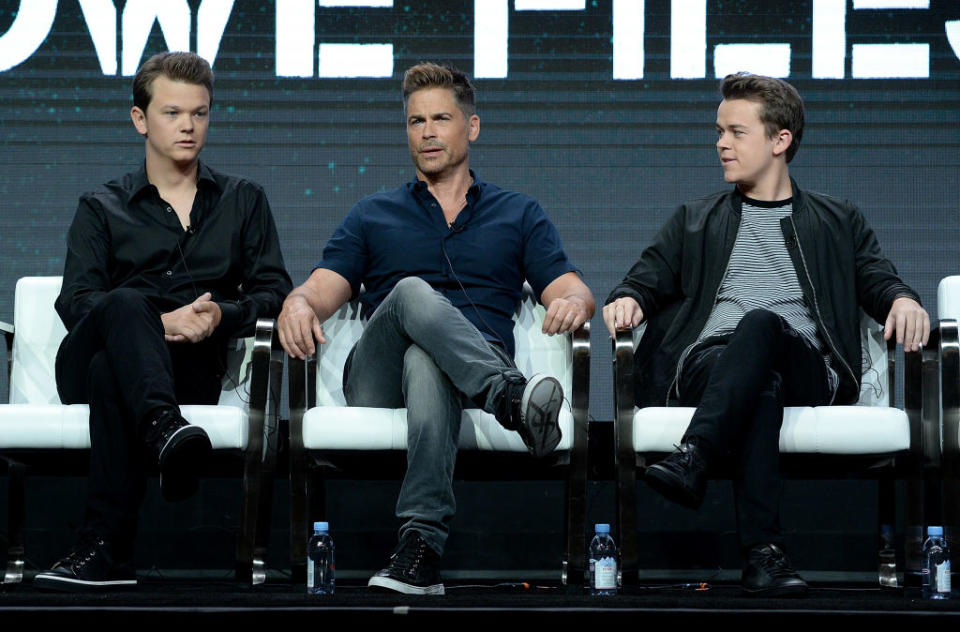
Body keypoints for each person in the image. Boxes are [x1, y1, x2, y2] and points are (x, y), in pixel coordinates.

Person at [603, 73, 928, 597]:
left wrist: (903, 299)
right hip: (709, 362)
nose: (720, 144)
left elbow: (877, 278)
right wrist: (628, 300)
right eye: (719, 131)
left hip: (809, 367)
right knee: (761, 386)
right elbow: (643, 281)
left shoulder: (836, 219)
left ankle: (695, 455)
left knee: (761, 325)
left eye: (735, 132)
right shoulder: (694, 219)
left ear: (780, 141)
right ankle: (763, 555)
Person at [278, 62, 594, 595]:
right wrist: (297, 304)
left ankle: (419, 550)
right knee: (409, 291)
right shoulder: (373, 212)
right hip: (377, 380)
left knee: (428, 360)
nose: (426, 132)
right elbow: (319, 288)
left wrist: (577, 303)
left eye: (441, 118)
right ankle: (512, 398)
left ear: (471, 127)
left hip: (459, 372)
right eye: (415, 121)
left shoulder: (517, 213)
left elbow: (570, 288)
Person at [34, 52, 292, 591]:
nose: (188, 126)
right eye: (173, 113)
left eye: (199, 113)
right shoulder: (101, 206)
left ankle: (105, 550)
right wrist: (160, 320)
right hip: (80, 366)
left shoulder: (243, 201)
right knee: (125, 305)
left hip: (186, 370)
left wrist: (224, 313)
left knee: (115, 371)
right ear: (139, 119)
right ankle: (164, 430)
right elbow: (78, 302)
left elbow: (274, 292)